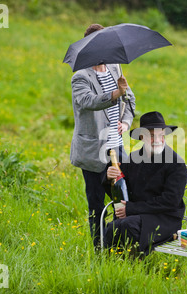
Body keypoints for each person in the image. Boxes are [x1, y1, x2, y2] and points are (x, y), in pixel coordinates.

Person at [70, 24, 136, 248]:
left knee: (125, 201)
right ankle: (99, 251)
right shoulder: (80, 77)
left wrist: (126, 123)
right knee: (97, 204)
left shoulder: (115, 68)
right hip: (93, 153)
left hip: (117, 148)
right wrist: (116, 93)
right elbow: (88, 101)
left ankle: (121, 245)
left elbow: (130, 100)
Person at [102, 111, 187, 255]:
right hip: (138, 214)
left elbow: (170, 201)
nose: (158, 140)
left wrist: (131, 209)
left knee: (129, 225)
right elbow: (119, 192)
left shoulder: (175, 163)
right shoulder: (134, 158)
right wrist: (109, 178)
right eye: (152, 136)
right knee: (112, 226)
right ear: (142, 137)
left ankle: (135, 267)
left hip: (165, 218)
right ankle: (111, 266)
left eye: (161, 135)